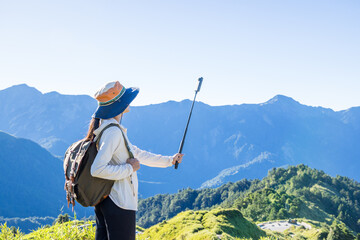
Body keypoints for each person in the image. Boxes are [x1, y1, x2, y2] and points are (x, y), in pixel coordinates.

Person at [85, 81, 184, 240]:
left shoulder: (108, 128)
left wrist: (170, 160)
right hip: (119, 202)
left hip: (106, 200)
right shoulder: (113, 133)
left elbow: (137, 153)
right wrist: (129, 169)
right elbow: (97, 169)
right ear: (118, 105)